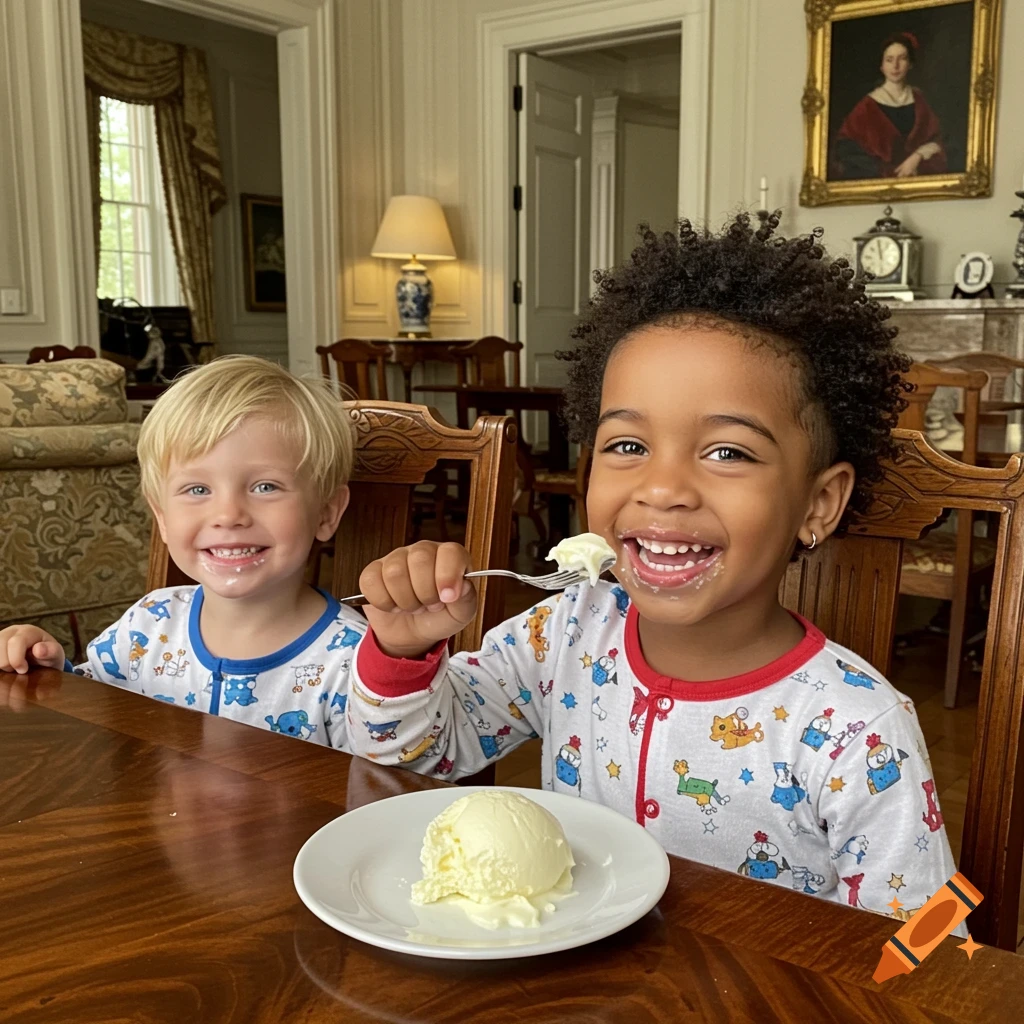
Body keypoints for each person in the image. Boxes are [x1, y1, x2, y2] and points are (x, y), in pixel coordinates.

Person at [344, 213, 960, 921]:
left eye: (728, 452)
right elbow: (426, 754)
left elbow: (930, 942)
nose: (662, 488)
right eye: (627, 446)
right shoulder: (562, 636)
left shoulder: (857, 728)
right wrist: (402, 651)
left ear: (818, 503)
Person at [0, 355, 366, 747]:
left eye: (265, 487)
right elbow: (98, 710)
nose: (228, 515)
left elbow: (404, 786)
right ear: (161, 517)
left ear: (326, 513)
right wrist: (51, 671)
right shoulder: (148, 623)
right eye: (198, 490)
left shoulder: (356, 661)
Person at [832, 32, 946, 181]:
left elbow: (937, 140)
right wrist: (882, 170)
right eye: (889, 60)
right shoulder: (867, 106)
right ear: (882, 66)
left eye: (902, 59)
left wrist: (917, 157)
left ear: (910, 64)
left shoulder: (920, 100)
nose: (895, 66)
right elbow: (844, 147)